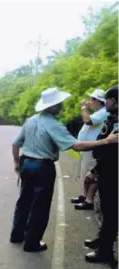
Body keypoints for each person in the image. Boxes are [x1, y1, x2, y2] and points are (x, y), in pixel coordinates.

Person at [9, 87, 118, 253]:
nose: (62, 106)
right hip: (42, 166)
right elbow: (77, 146)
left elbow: (16, 143)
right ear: (51, 106)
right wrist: (106, 141)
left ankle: (17, 234)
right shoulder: (54, 125)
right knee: (40, 205)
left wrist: (17, 162)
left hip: (27, 163)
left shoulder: (31, 120)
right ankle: (32, 242)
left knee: (24, 200)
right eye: (59, 103)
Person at [83, 86, 118, 266]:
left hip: (113, 172)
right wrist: (97, 169)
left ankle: (106, 252)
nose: (106, 103)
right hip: (106, 168)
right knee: (106, 209)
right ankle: (102, 239)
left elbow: (113, 149)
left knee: (111, 212)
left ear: (114, 101)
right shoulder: (112, 117)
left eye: (108, 100)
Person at [71, 88, 108, 210]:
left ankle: (88, 201)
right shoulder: (99, 112)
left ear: (98, 101)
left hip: (93, 148)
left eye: (91, 99)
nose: (89, 101)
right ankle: (84, 196)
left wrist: (83, 108)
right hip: (87, 148)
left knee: (90, 175)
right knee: (84, 173)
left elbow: (87, 120)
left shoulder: (103, 112)